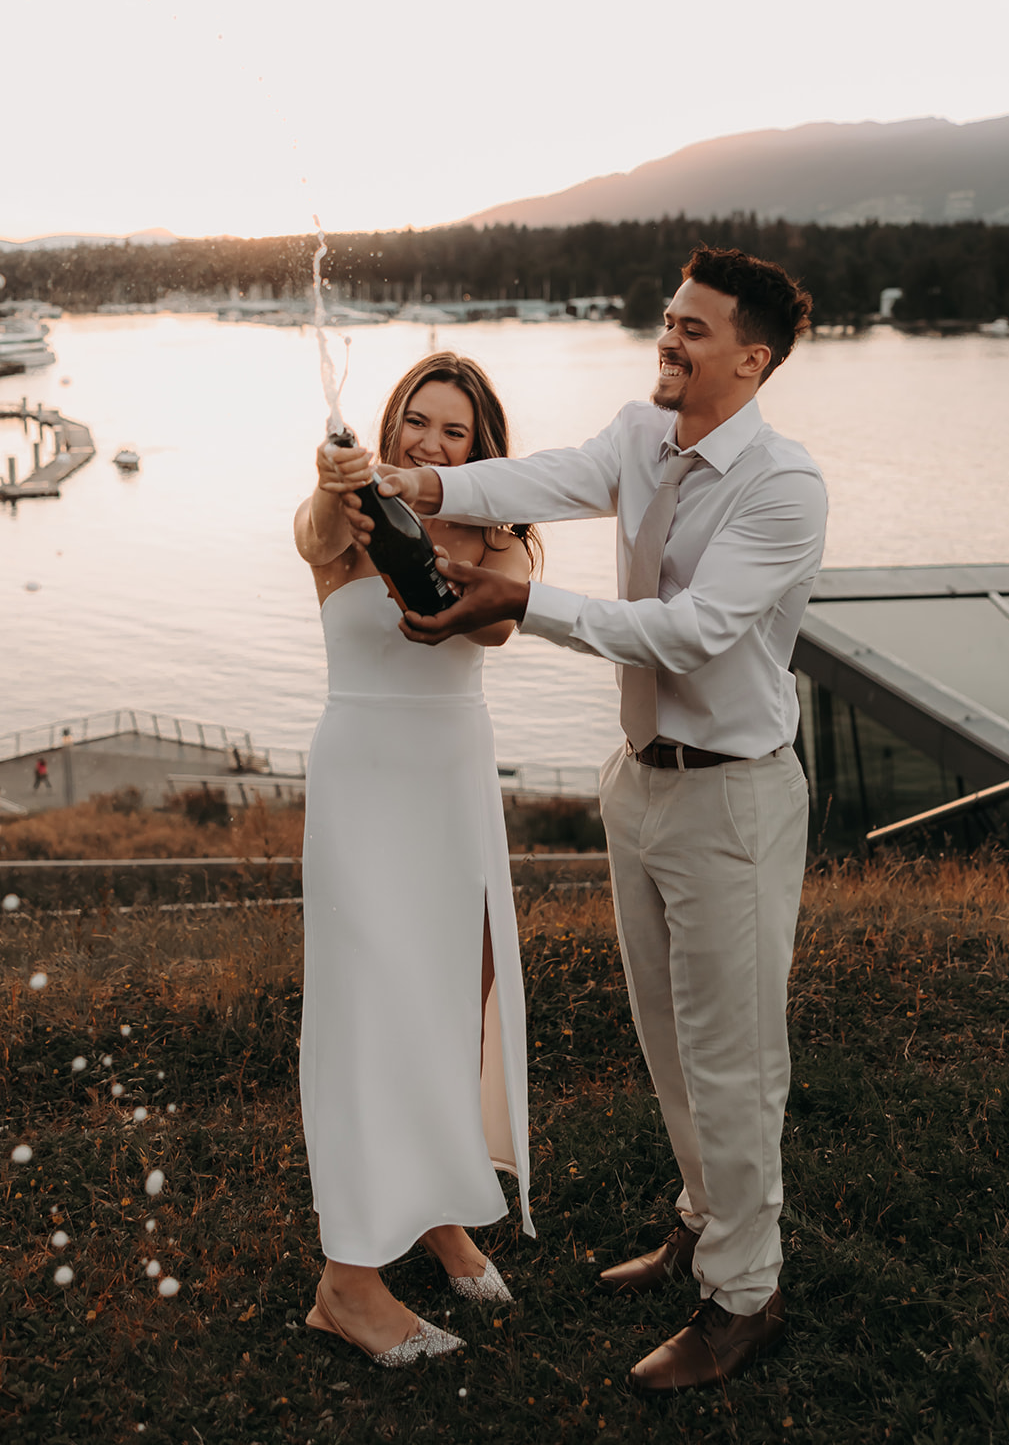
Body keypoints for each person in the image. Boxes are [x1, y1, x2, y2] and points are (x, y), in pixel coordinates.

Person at [342, 247, 827, 1393]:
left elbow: (690, 632)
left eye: (692, 330)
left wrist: (523, 599)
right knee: (668, 1039)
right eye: (667, 319)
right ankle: (701, 1225)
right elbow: (539, 478)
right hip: (640, 783)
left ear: (750, 359)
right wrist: (422, 488)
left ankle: (743, 1296)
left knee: (735, 1058)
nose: (667, 340)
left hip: (732, 798)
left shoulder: (782, 487)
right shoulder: (641, 435)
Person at [293, 350, 538, 1369]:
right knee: (366, 1013)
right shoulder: (339, 519)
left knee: (450, 1004)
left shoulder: (505, 535)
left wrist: (436, 534)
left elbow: (490, 611)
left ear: (478, 447)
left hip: (452, 783)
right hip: (362, 782)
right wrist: (331, 479)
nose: (428, 441)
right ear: (387, 424)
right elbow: (314, 529)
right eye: (416, 421)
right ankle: (347, 1281)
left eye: (454, 430)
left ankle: (438, 1210)